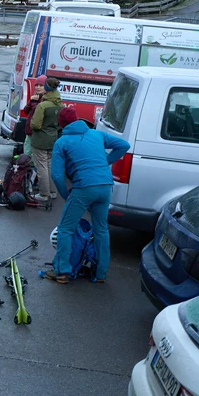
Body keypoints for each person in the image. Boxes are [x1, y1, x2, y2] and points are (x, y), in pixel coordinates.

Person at [47, 107, 131, 284]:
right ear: (78, 120)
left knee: (65, 229)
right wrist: (104, 163)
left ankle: (62, 272)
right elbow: (124, 146)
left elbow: (56, 175)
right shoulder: (96, 134)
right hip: (105, 186)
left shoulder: (62, 142)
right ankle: (100, 273)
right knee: (101, 229)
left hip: (84, 187)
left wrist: (65, 195)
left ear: (61, 125)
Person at [29, 77, 62, 203]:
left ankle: (43, 193)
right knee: (50, 166)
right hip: (53, 138)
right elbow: (60, 124)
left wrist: (31, 122)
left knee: (41, 166)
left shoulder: (42, 106)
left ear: (46, 88)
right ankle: (53, 192)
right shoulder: (60, 104)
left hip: (40, 140)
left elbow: (36, 125)